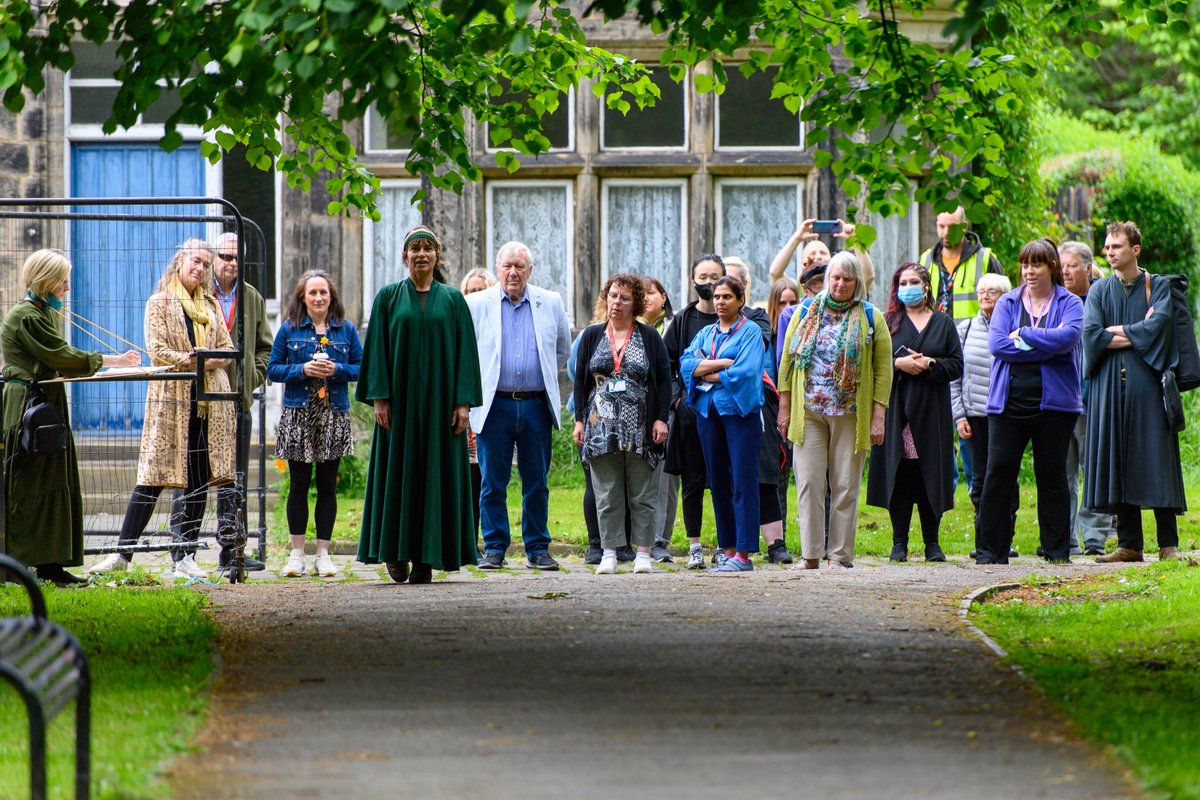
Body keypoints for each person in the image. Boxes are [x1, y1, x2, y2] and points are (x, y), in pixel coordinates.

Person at [89, 239, 236, 579]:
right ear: (180, 260)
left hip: (208, 404)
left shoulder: (211, 305)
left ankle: (184, 555)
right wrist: (192, 360)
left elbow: (227, 350)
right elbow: (157, 349)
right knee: (152, 477)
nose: (199, 269)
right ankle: (122, 554)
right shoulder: (160, 302)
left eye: (204, 264)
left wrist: (204, 360)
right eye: (195, 261)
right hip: (172, 400)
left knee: (198, 479)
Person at [1, 250, 140, 586]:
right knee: (28, 480)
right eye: (61, 280)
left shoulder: (43, 314)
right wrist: (113, 361)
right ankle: (18, 562)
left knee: (54, 478)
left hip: (44, 404)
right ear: (46, 280)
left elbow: (58, 360)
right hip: (27, 409)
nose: (66, 286)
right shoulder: (27, 316)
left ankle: (50, 564)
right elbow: (60, 355)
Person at [357, 226, 482, 583]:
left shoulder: (453, 300)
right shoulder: (388, 299)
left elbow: (465, 354)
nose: (422, 254)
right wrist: (380, 397)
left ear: (437, 255)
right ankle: (395, 553)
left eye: (428, 248)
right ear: (404, 257)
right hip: (399, 409)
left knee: (436, 475)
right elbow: (377, 350)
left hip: (442, 407)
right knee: (399, 474)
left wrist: (463, 403)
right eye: (415, 249)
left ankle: (427, 558)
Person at [778, 251, 891, 569]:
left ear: (857, 283)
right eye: (835, 278)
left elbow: (883, 371)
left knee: (844, 485)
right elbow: (787, 361)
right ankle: (810, 555)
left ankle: (839, 556)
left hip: (851, 413)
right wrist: (784, 408)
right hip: (809, 411)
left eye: (847, 279)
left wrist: (878, 416)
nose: (840, 284)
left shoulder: (871, 316)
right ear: (827, 280)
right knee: (809, 483)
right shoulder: (805, 313)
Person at [975, 238, 1083, 564]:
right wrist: (1046, 346)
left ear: (1051, 266)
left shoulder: (1069, 303)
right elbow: (998, 345)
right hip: (1008, 404)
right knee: (998, 476)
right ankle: (990, 553)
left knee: (1051, 477)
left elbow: (1068, 338)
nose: (1029, 271)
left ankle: (1056, 552)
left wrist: (1023, 335)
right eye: (1025, 265)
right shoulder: (1008, 302)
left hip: (1055, 406)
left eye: (1036, 264)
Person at [169, 231, 272, 573]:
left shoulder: (252, 297)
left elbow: (264, 348)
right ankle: (182, 550)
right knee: (191, 476)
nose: (229, 264)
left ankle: (231, 553)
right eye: (223, 258)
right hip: (197, 402)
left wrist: (249, 380)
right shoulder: (199, 294)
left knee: (233, 477)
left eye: (235, 258)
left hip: (236, 403)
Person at [1083, 222, 1186, 563]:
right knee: (1118, 457)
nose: (1109, 252)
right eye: (1107, 247)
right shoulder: (1099, 291)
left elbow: (1160, 328)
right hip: (1109, 386)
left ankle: (1168, 544)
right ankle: (1129, 545)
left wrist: (1119, 332)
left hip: (1147, 384)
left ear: (1135, 250)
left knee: (1156, 459)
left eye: (1116, 246)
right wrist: (1136, 332)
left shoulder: (1157, 287)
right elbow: (1092, 335)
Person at [467, 240, 571, 571]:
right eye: (507, 266)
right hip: (493, 404)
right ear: (497, 269)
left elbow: (561, 350)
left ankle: (538, 548)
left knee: (536, 480)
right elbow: (467, 353)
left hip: (534, 404)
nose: (513, 272)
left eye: (520, 266)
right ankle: (495, 547)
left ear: (530, 270)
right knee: (492, 481)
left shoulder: (550, 302)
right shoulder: (476, 303)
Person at [572, 274, 671, 574]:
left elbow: (664, 381)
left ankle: (642, 552)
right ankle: (609, 553)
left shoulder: (648, 336)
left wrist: (661, 419)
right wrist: (578, 420)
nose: (617, 302)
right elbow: (580, 381)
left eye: (624, 298)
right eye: (613, 295)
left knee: (642, 492)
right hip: (600, 427)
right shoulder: (592, 335)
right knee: (606, 491)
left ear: (635, 303)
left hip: (640, 426)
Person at [267, 271, 361, 578]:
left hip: (333, 414)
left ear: (331, 296)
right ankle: (297, 554)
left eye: (323, 292)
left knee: (327, 486)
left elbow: (362, 367)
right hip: (299, 415)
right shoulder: (288, 329)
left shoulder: (345, 330)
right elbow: (273, 370)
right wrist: (302, 368)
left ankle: (323, 554)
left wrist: (337, 369)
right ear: (303, 298)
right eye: (313, 293)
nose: (319, 298)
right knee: (298, 484)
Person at [866, 264, 963, 562]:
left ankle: (932, 543)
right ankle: (899, 543)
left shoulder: (944, 323)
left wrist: (930, 364)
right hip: (897, 412)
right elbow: (873, 364)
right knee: (900, 476)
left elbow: (957, 365)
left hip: (931, 413)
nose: (908, 286)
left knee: (929, 475)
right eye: (903, 282)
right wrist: (899, 365)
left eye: (914, 281)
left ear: (926, 286)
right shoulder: (887, 322)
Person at [681, 276, 767, 572]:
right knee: (717, 482)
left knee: (743, 481)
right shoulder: (705, 333)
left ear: (741, 300)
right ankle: (728, 550)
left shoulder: (752, 332)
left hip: (740, 414)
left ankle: (744, 554)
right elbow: (686, 365)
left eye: (727, 297)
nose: (720, 302)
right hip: (708, 412)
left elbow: (746, 372)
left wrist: (706, 373)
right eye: (717, 296)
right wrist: (721, 365)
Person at [919, 205, 1004, 493]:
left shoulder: (986, 259)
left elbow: (1005, 304)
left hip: (973, 349)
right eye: (940, 226)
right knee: (938, 425)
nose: (945, 233)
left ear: (964, 226)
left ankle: (976, 487)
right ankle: (943, 489)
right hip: (935, 350)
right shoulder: (925, 260)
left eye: (952, 227)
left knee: (969, 424)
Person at [723, 259, 794, 565]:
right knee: (726, 477)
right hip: (718, 407)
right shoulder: (700, 322)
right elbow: (689, 363)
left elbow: (747, 361)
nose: (722, 292)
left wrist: (714, 367)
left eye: (730, 285)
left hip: (758, 401)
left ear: (744, 289)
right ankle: (732, 545)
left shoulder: (757, 319)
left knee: (765, 472)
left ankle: (775, 543)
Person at [949, 272, 1020, 559]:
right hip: (974, 417)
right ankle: (984, 541)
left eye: (992, 291)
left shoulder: (1017, 327)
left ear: (1005, 296)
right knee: (978, 480)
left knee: (1006, 478)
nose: (985, 295)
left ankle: (1004, 541)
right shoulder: (964, 329)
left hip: (1007, 416)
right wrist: (959, 416)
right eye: (981, 291)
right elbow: (956, 377)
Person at [663, 254, 725, 569]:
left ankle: (726, 544)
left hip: (726, 411)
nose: (709, 283)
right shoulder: (682, 320)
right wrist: (676, 401)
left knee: (724, 480)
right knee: (692, 481)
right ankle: (695, 546)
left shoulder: (735, 321)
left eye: (715, 276)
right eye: (703, 277)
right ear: (693, 280)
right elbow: (667, 365)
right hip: (690, 414)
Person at [1059, 241, 1112, 556]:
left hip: (1093, 395)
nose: (1065, 271)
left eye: (1071, 265)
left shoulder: (1102, 297)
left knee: (1092, 467)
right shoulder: (1055, 300)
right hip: (1059, 398)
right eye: (1062, 265)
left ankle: (1093, 535)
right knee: (1062, 471)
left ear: (1088, 267)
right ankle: (1063, 537)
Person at [639, 276, 676, 561]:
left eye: (652, 293)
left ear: (663, 297)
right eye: (642, 294)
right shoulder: (627, 328)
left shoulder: (673, 326)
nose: (647, 298)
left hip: (667, 410)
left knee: (664, 477)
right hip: (631, 411)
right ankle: (631, 538)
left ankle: (659, 539)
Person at [459, 266, 496, 546]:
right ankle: (468, 540)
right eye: (469, 291)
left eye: (480, 291)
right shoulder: (457, 324)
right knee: (467, 479)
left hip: (491, 408)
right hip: (464, 409)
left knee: (488, 479)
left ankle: (491, 540)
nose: (474, 296)